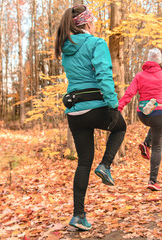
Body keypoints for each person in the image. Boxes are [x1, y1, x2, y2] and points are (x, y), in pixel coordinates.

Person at [55, 5, 126, 231]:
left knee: (84, 162)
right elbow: (104, 74)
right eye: (93, 21)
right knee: (120, 127)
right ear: (86, 23)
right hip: (96, 107)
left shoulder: (66, 48)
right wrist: (114, 106)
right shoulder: (97, 43)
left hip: (74, 112)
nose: (95, 24)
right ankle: (105, 165)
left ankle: (78, 215)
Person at [118, 48, 162, 191]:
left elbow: (129, 93)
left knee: (154, 126)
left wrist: (119, 107)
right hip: (159, 113)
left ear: (148, 59)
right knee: (157, 146)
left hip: (142, 115)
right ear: (159, 61)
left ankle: (146, 144)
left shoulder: (139, 76)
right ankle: (153, 180)